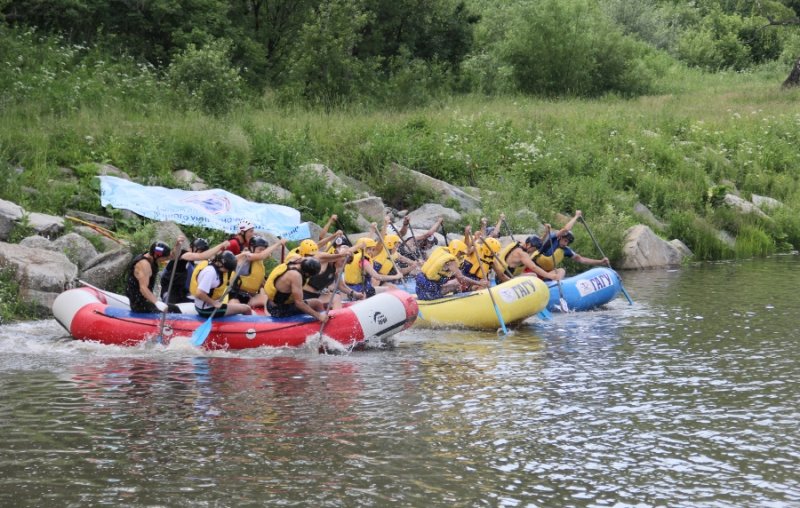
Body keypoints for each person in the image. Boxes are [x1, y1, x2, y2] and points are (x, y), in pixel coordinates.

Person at [160, 237, 230, 304]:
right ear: (192, 247)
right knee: (170, 308)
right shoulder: (183, 254)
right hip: (170, 291)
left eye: (203, 251)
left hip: (182, 293)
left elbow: (215, 258)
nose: (201, 252)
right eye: (200, 250)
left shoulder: (193, 262)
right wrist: (221, 245)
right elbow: (202, 256)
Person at [532, 212, 610, 271]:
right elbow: (565, 230)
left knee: (562, 271)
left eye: (567, 242)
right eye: (565, 240)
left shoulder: (566, 250)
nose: (565, 244)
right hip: (533, 265)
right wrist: (576, 216)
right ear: (560, 237)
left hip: (545, 272)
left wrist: (600, 262)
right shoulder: (553, 238)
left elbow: (582, 259)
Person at [263, 257, 329, 322]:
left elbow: (316, 258)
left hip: (270, 303)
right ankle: (323, 322)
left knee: (316, 302)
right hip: (279, 310)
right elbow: (299, 303)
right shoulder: (296, 276)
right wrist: (319, 316)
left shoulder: (294, 261)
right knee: (317, 304)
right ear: (307, 274)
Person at [228, 235, 287, 306]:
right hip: (237, 295)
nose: (262, 251)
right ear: (252, 248)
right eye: (260, 249)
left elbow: (262, 284)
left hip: (250, 296)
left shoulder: (259, 263)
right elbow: (262, 255)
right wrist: (278, 243)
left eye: (264, 249)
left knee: (272, 301)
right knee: (265, 300)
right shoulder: (246, 256)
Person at [193, 251, 253, 318]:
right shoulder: (210, 273)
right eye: (227, 269)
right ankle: (251, 325)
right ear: (220, 264)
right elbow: (199, 293)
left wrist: (243, 255)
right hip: (207, 309)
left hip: (207, 306)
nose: (227, 271)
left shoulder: (218, 265)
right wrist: (214, 303)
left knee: (236, 305)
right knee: (246, 308)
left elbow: (229, 260)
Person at [126, 241, 181, 314]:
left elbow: (172, 256)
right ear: (156, 255)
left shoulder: (153, 256)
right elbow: (143, 288)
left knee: (175, 308)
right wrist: (157, 302)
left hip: (146, 300)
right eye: (163, 258)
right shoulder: (144, 265)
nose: (165, 260)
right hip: (139, 303)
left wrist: (177, 244)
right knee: (173, 310)